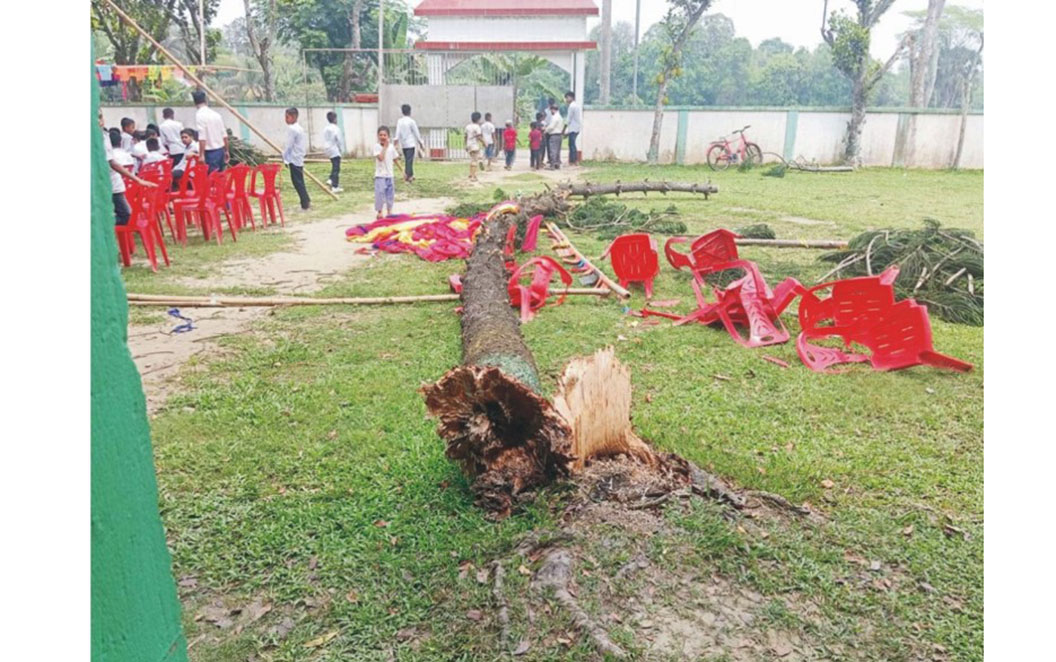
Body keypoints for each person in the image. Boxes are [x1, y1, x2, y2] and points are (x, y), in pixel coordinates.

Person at [104, 125, 154, 226]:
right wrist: (138, 180)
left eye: (101, 117)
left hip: (118, 185)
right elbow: (113, 164)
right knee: (126, 216)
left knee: (126, 216)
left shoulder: (104, 137)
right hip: (127, 188)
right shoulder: (127, 155)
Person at [193, 90, 228, 173]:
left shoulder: (200, 115)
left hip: (210, 152)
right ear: (206, 100)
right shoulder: (216, 115)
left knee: (211, 178)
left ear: (194, 102)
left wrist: (201, 155)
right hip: (220, 150)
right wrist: (226, 151)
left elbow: (202, 137)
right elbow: (224, 135)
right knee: (220, 176)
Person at [283, 107, 310, 211]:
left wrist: (285, 158)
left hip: (294, 158)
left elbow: (289, 145)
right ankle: (306, 200)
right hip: (298, 156)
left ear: (294, 117)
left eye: (287, 117)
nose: (285, 119)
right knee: (300, 181)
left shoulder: (292, 129)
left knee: (297, 182)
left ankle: (305, 204)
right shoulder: (299, 128)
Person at [373, 126, 402, 219]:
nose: (382, 137)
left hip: (390, 175)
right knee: (380, 194)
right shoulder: (377, 146)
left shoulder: (391, 147)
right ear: (378, 136)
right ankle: (380, 211)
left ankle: (389, 211)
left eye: (384, 135)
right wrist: (384, 147)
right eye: (380, 135)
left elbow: (396, 159)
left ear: (388, 136)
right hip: (380, 175)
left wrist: (403, 171)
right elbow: (380, 158)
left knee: (390, 194)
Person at [395, 104, 425, 183]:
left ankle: (410, 175)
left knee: (407, 160)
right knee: (409, 161)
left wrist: (396, 142)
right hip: (411, 144)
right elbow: (416, 133)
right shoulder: (411, 121)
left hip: (404, 144)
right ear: (409, 111)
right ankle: (407, 177)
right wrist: (421, 143)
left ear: (402, 112)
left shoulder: (399, 121)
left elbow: (397, 133)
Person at [322, 111, 344, 193]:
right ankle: (335, 185)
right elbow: (338, 139)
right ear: (335, 119)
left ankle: (331, 179)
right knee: (336, 167)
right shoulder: (336, 128)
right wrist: (341, 148)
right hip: (334, 148)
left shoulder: (326, 128)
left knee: (334, 166)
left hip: (327, 148)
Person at [544, 101, 565, 170]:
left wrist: (545, 130)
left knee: (552, 150)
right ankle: (557, 164)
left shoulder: (555, 117)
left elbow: (551, 127)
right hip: (559, 135)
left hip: (554, 135)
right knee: (557, 150)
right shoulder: (560, 117)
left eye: (551, 110)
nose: (551, 112)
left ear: (553, 110)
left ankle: (552, 165)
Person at [564, 91, 582, 166]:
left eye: (567, 98)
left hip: (573, 128)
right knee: (571, 144)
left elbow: (569, 119)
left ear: (571, 97)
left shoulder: (571, 106)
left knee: (572, 145)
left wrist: (563, 129)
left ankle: (574, 161)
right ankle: (573, 160)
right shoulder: (576, 105)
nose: (566, 100)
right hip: (576, 127)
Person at [464, 112, 484, 182]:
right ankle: (473, 176)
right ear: (478, 119)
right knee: (475, 160)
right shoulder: (477, 127)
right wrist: (484, 142)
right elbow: (479, 137)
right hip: (474, 145)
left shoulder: (467, 126)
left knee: (472, 159)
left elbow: (465, 136)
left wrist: (465, 145)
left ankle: (470, 174)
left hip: (469, 144)